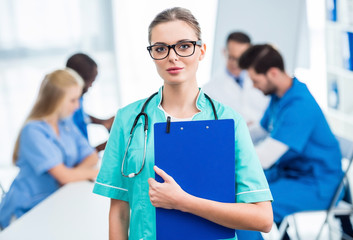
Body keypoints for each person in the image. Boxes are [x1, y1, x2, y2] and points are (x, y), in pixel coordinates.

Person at [93, 7, 273, 240]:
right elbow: (119, 212)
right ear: (152, 54)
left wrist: (183, 202)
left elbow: (263, 218)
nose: (173, 56)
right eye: (160, 48)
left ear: (202, 51)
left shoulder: (230, 122)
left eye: (184, 46)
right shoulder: (128, 120)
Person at [239, 44, 343, 239]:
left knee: (247, 210)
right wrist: (228, 137)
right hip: (289, 173)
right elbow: (260, 130)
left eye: (255, 80)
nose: (253, 86)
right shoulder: (280, 97)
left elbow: (264, 158)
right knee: (235, 192)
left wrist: (228, 159)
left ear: (273, 73)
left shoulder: (300, 105)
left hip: (316, 184)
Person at [0, 69, 99, 229]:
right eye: (73, 100)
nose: (77, 106)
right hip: (25, 211)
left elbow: (92, 156)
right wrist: (91, 173)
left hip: (55, 202)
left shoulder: (65, 124)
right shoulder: (33, 131)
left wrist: (72, 175)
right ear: (56, 101)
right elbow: (63, 176)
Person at [202, 31, 269, 126]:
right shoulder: (209, 90)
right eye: (232, 58)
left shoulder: (263, 79)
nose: (236, 64)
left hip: (262, 138)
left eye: (241, 58)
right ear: (224, 52)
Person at [66, 53, 114, 152]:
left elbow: (82, 117)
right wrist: (109, 144)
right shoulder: (65, 111)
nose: (91, 86)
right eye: (90, 81)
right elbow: (76, 160)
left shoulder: (77, 99)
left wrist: (102, 122)